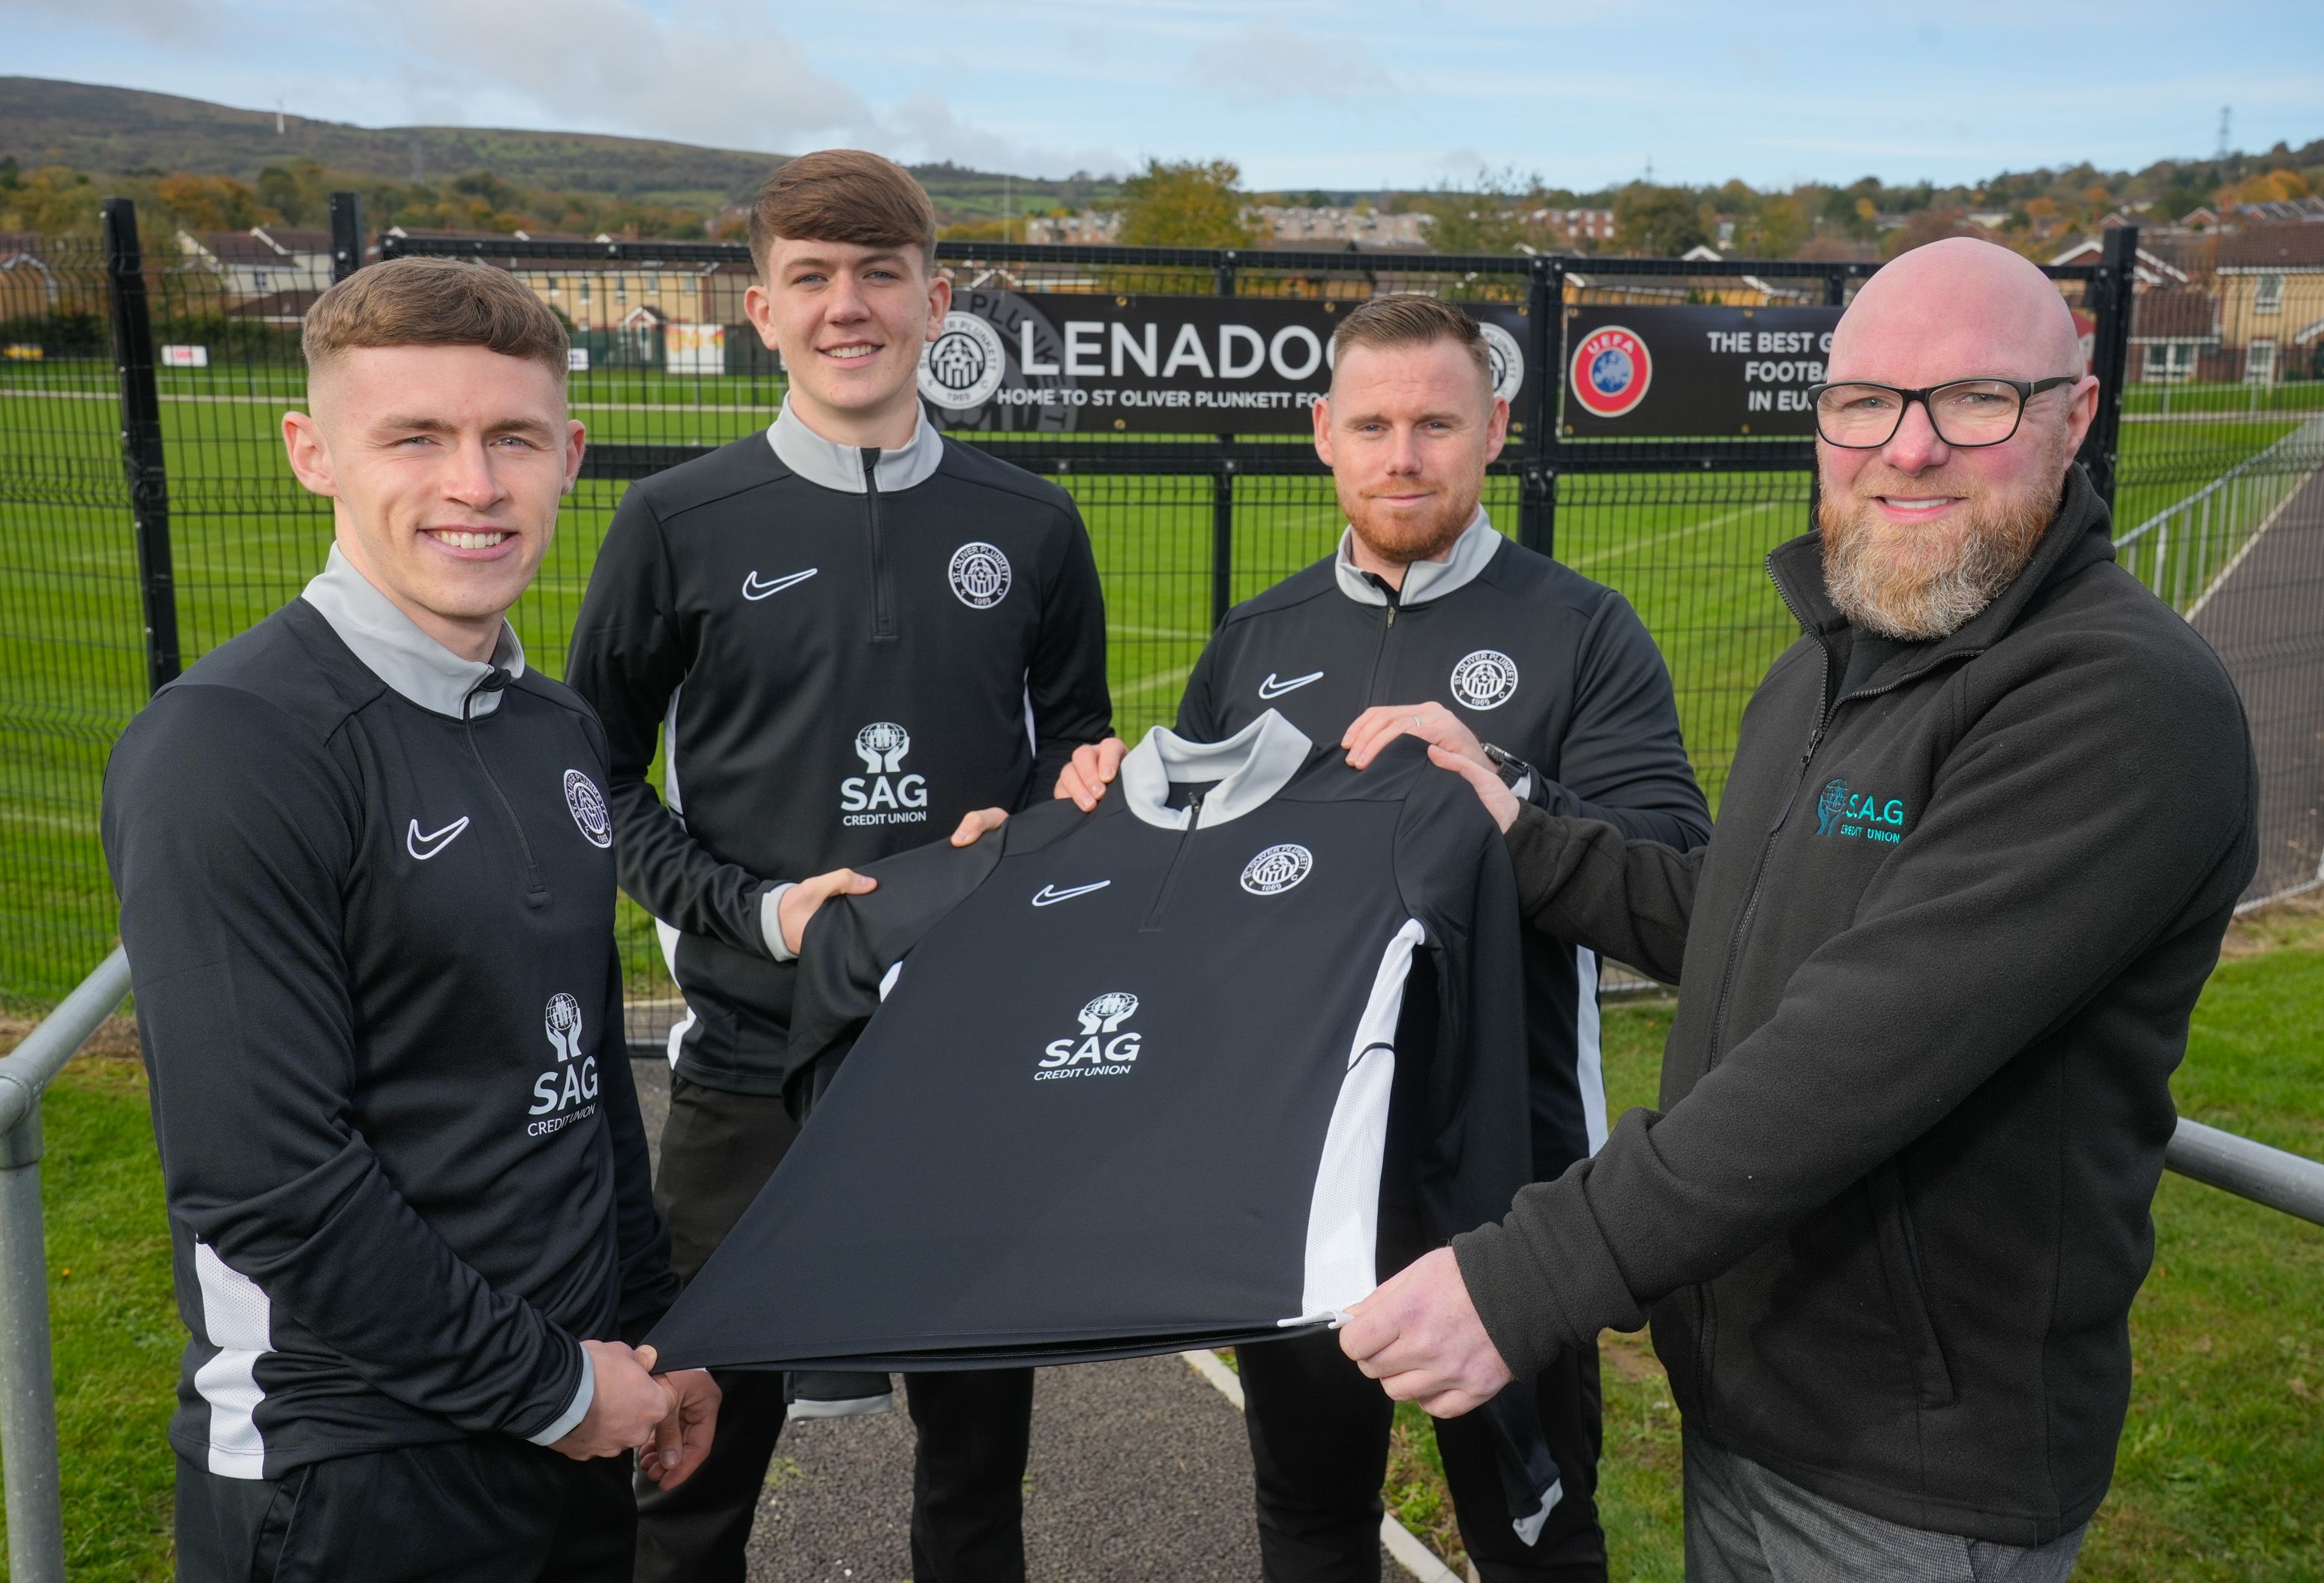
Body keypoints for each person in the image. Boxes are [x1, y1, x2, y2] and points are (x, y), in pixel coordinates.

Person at [1341, 238, 2258, 1580]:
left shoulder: (2120, 701)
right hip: (1755, 1400)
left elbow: (1858, 1044)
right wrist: (1524, 840)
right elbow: (1750, 924)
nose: (1910, 447)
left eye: (1975, 401)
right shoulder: (1829, 667)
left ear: (2076, 413)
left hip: (1916, 1475)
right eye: (1866, 404)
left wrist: (1534, 1273)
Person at [1033, 293, 1709, 1582]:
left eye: (1437, 424)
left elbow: (1680, 896)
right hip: (1296, 1178)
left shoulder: (1585, 632)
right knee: (1309, 1516)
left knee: (1537, 1535)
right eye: (1375, 424)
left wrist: (1506, 793)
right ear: (1322, 436)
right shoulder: (1258, 640)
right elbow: (1194, 911)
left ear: (1498, 428)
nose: (1404, 456)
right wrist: (1114, 818)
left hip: (1512, 1182)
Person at [101, 256, 717, 1583]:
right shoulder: (230, 748)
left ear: (573, 454)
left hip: (566, 1422)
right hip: (351, 1463)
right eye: (416, 437)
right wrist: (552, 1387)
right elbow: (265, 1184)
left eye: (514, 438)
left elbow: (585, 1074)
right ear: (311, 452)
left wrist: (655, 1340)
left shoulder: (556, 727)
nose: (476, 485)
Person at [564, 149, 1113, 1583]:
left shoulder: (1034, 524)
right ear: (761, 309)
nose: (847, 307)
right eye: (811, 277)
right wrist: (748, 909)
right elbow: (595, 782)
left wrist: (1058, 819)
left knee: (979, 1467)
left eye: (880, 275)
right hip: (749, 1056)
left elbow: (1082, 755)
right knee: (691, 1462)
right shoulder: (673, 522)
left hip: (967, 1057)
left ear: (939, 302)